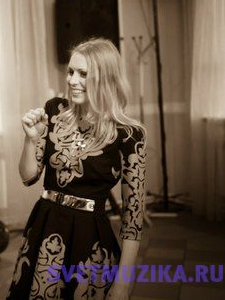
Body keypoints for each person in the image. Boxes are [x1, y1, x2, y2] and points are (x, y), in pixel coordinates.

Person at [8, 38, 146, 299]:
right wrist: (30, 138)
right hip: (45, 227)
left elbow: (133, 218)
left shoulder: (129, 134)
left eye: (83, 73)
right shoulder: (55, 110)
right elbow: (28, 177)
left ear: (105, 78)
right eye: (70, 71)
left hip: (88, 238)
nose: (72, 80)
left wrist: (123, 284)